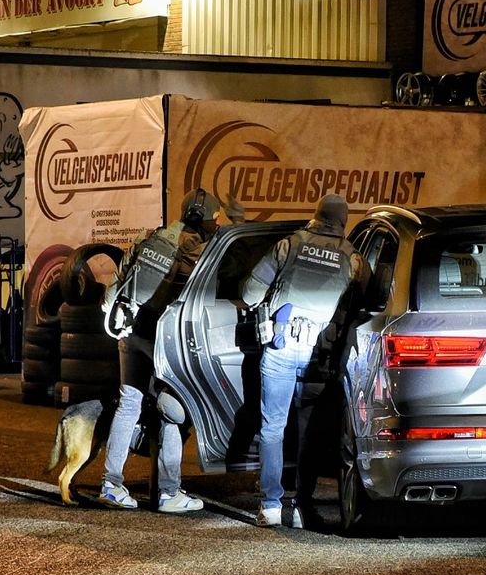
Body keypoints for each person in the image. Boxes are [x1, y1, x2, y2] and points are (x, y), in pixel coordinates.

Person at [241, 194, 366, 527]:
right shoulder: (353, 258)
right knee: (309, 432)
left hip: (281, 349)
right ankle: (300, 507)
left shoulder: (289, 245)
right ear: (343, 220)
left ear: (317, 214)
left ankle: (269, 506)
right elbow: (364, 300)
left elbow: (250, 293)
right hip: (319, 358)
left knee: (272, 429)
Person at [98, 188, 223, 513]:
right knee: (173, 411)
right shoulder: (201, 251)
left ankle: (111, 485)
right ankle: (169, 494)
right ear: (209, 219)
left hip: (130, 331)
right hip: (164, 341)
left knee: (129, 405)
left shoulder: (149, 239)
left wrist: (118, 321)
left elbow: (116, 284)